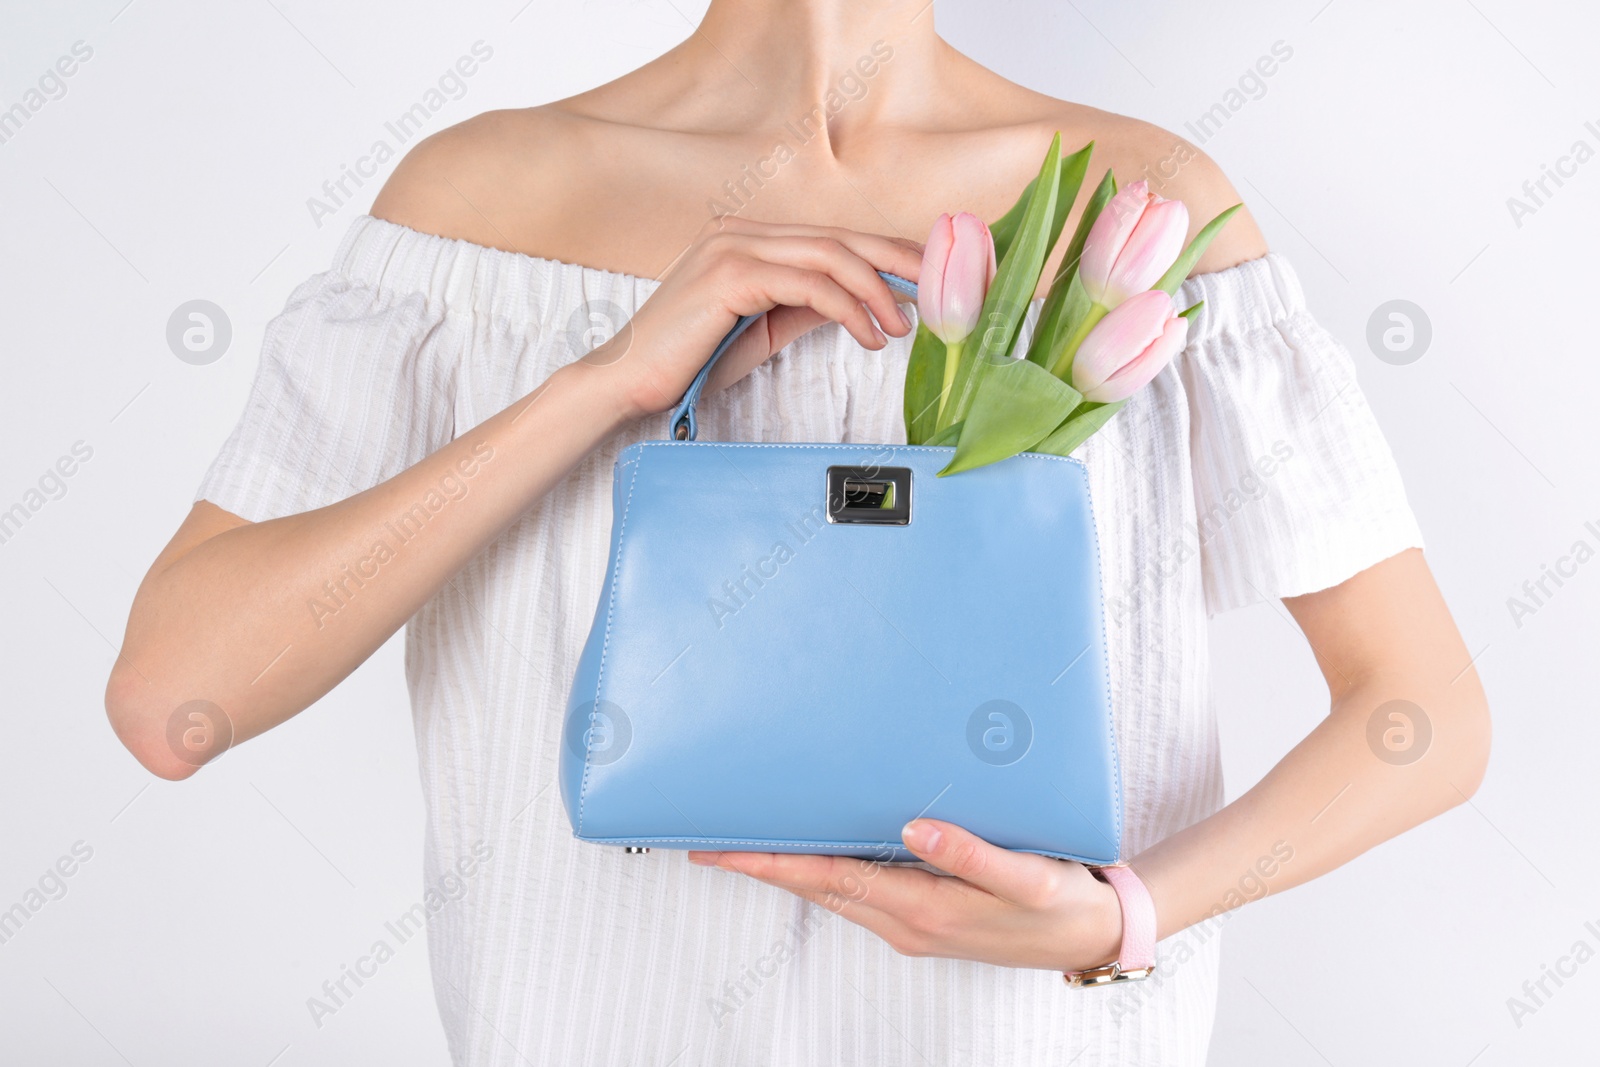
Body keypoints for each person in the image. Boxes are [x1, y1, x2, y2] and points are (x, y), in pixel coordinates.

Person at [106, 2, 1491, 1063]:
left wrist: (1129, 917)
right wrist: (611, 382)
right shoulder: (483, 201)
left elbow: (1420, 713)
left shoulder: (1138, 211)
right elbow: (177, 702)